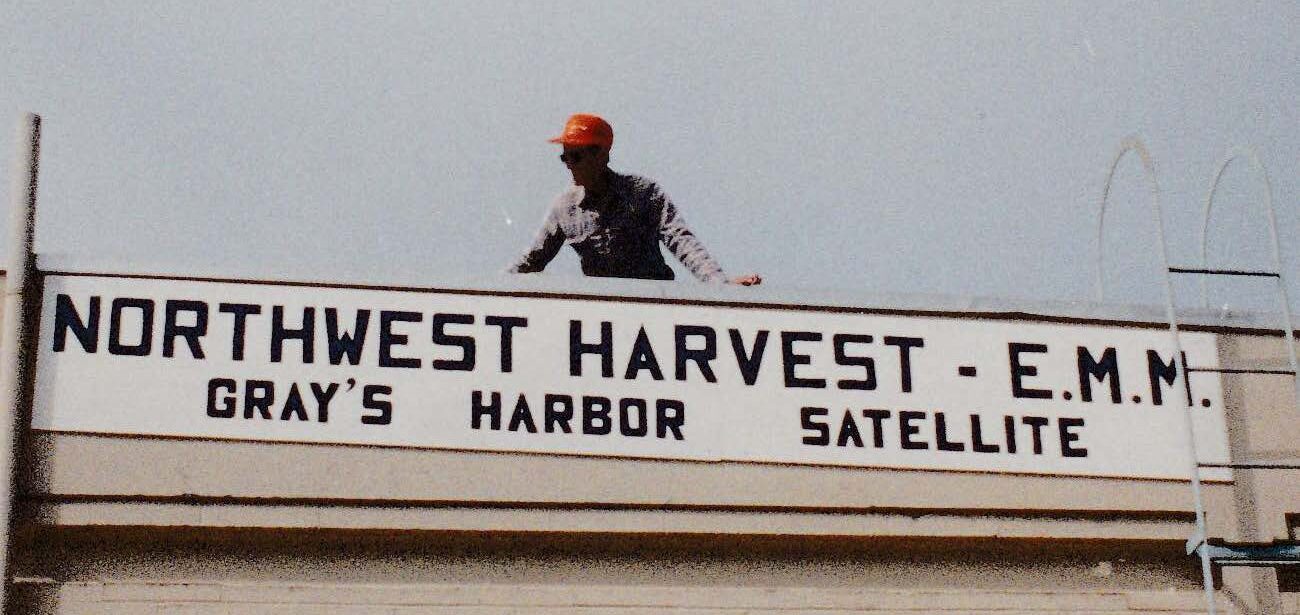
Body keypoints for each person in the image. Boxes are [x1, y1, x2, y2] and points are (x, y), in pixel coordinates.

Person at [507, 114, 762, 285]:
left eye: (576, 157)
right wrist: (481, 296)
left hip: (651, 304)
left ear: (601, 155)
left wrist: (720, 286)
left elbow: (681, 240)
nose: (569, 166)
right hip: (605, 314)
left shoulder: (643, 193)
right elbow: (531, 261)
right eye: (565, 158)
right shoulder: (564, 208)